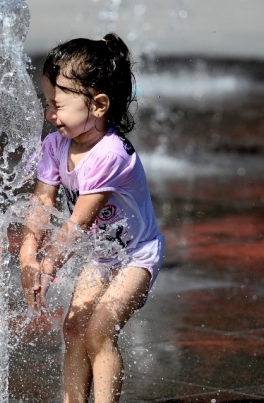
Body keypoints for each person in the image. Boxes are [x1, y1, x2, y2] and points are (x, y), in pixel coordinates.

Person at [18, 33, 165, 403]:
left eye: (58, 105)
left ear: (98, 105)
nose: (50, 114)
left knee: (99, 331)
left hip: (137, 256)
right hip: (103, 255)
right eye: (48, 103)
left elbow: (78, 222)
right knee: (74, 329)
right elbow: (42, 204)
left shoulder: (110, 155)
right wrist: (28, 250)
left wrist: (49, 264)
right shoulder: (55, 144)